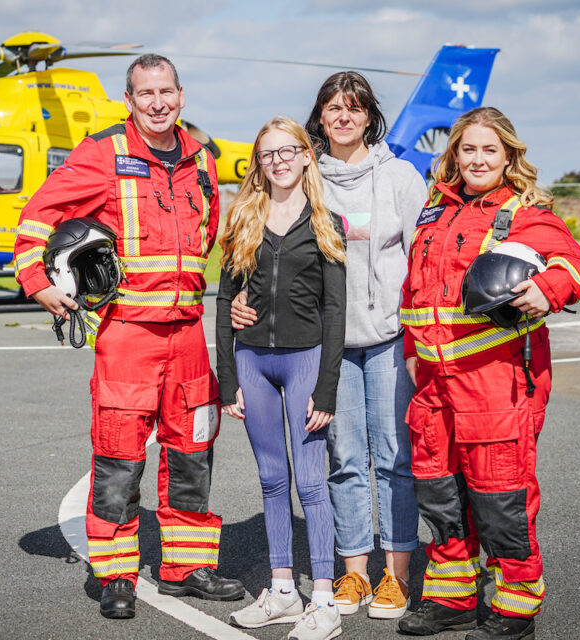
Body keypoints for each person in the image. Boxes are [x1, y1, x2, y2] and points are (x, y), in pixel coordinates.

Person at [13, 54, 244, 620]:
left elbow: (210, 235)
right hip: (127, 336)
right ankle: (115, 573)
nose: (158, 102)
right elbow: (39, 215)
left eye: (167, 91)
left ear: (182, 96)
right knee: (118, 455)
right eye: (147, 94)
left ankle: (186, 566)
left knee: (192, 451)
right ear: (130, 100)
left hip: (188, 334)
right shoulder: (103, 153)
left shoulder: (202, 161)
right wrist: (36, 279)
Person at [230, 71, 427, 620]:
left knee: (392, 458)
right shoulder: (310, 174)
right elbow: (273, 247)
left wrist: (417, 335)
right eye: (332, 108)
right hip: (324, 346)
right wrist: (246, 300)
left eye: (354, 108)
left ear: (369, 116)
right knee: (342, 459)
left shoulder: (402, 179)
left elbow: (423, 260)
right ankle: (353, 572)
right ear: (319, 116)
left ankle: (395, 575)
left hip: (387, 338)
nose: (343, 117)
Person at [396, 106, 580, 639]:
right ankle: (451, 596)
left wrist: (545, 290)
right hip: (434, 382)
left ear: (508, 156)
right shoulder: (434, 210)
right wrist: (414, 351)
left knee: (500, 496)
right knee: (439, 493)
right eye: (469, 149)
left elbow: (574, 265)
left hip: (497, 382)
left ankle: (515, 606)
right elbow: (418, 292)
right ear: (454, 154)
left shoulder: (524, 214)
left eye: (490, 150)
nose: (478, 159)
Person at [217, 116, 346, 640]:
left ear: (305, 156)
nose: (279, 161)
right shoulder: (243, 216)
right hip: (253, 362)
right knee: (272, 479)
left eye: (288, 151)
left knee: (312, 482)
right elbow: (226, 300)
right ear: (258, 163)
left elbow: (335, 310)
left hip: (305, 362)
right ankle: (283, 590)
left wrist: (329, 385)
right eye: (268, 154)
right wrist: (228, 380)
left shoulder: (324, 220)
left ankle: (324, 600)